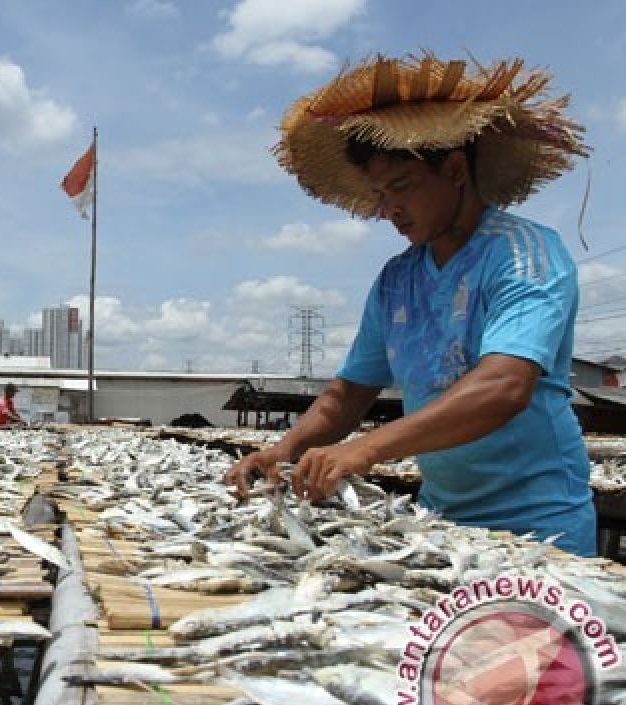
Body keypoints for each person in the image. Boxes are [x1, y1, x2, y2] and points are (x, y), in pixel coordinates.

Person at [227, 54, 595, 556]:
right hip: (442, 522)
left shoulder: (524, 255)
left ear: (456, 169)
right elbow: (347, 394)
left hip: (540, 524)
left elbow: (504, 386)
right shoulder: (397, 280)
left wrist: (368, 447)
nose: (390, 210)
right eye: (381, 194)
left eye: (402, 187)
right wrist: (282, 449)